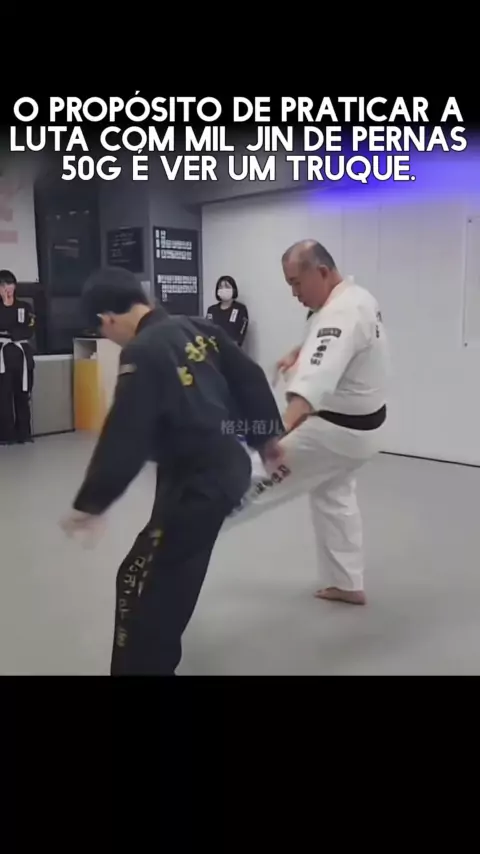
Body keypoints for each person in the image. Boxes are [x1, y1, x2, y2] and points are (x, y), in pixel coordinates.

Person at [60, 267, 284, 676]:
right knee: (166, 574)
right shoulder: (197, 327)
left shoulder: (142, 351)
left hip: (197, 483)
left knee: (145, 586)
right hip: (223, 470)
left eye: (103, 330)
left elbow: (125, 432)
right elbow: (249, 376)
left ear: (107, 319)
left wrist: (92, 502)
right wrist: (267, 437)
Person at [224, 240, 389, 606]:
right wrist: (297, 353)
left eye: (296, 283)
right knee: (333, 496)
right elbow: (341, 346)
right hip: (363, 429)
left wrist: (273, 437)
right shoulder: (357, 298)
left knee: (253, 471)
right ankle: (346, 582)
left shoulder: (340, 314)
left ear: (322, 271)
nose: (294, 293)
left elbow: (313, 384)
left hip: (335, 430)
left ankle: (181, 535)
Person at [0, 269, 36, 445]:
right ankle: (6, 435)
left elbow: (29, 328)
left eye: (10, 284)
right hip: (3, 356)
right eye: (3, 285)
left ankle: (24, 433)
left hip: (21, 355)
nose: (7, 288)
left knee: (22, 393)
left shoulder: (25, 307)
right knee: (3, 396)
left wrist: (12, 333)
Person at [206, 275, 249, 347]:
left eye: (227, 287)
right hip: (214, 349)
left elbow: (241, 332)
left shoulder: (240, 309)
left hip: (232, 349)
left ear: (233, 290)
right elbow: (207, 329)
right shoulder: (211, 310)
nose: (224, 289)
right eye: (221, 287)